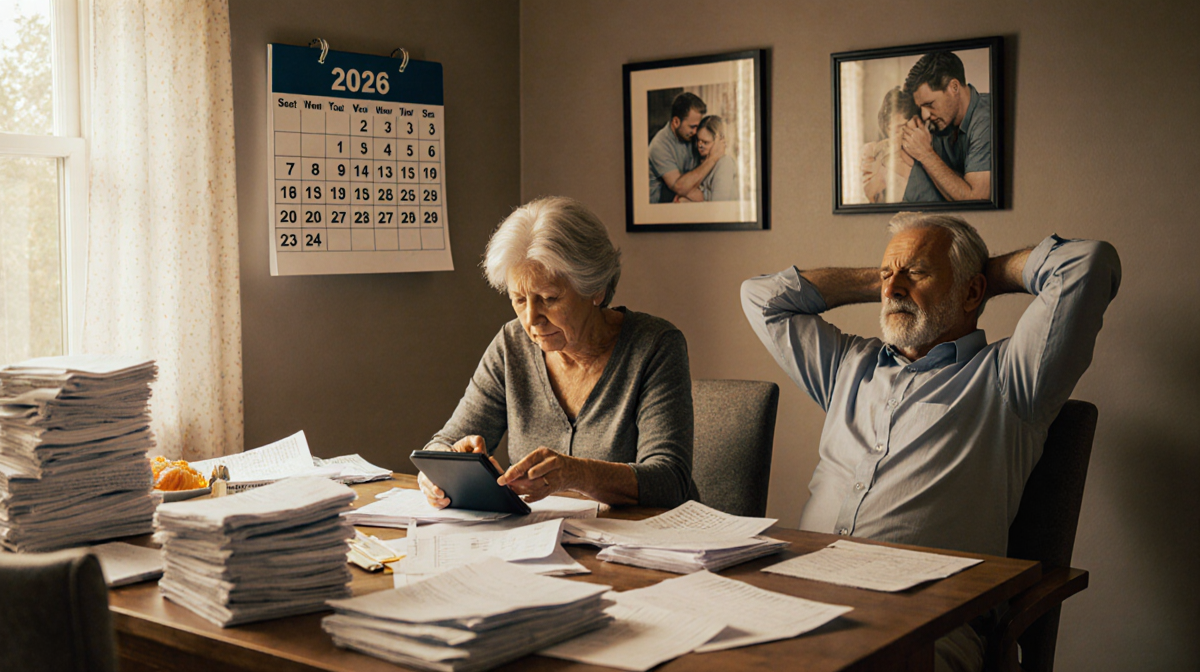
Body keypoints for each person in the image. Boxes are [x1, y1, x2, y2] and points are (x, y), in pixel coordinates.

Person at [741, 213, 1120, 672]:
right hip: (798, 596)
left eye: (917, 273)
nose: (893, 289)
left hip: (926, 619)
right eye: (887, 275)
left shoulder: (1013, 379)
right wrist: (889, 280)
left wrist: (986, 273)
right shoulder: (849, 365)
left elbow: (1088, 262)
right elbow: (760, 297)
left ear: (973, 292)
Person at [418, 196, 698, 509]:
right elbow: (446, 441)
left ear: (595, 289)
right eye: (519, 300)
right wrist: (438, 470)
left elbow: (669, 481)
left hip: (650, 543)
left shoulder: (655, 345)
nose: (531, 319)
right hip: (547, 545)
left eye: (549, 298)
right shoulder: (511, 345)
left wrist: (575, 474)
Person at [899, 51, 992, 202]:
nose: (925, 115)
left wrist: (925, 154)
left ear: (954, 87)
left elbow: (976, 199)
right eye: (921, 107)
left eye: (930, 104)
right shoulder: (938, 122)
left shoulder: (987, 118)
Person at [647, 92, 726, 204]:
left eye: (697, 127)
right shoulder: (658, 145)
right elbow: (680, 187)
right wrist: (713, 158)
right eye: (692, 127)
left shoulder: (691, 136)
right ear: (676, 122)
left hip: (685, 198)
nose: (696, 132)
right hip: (661, 206)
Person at [678, 115, 738, 202]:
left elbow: (718, 203)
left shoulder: (725, 163)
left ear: (718, 141)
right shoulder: (700, 161)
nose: (700, 145)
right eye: (698, 140)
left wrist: (695, 193)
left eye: (706, 142)